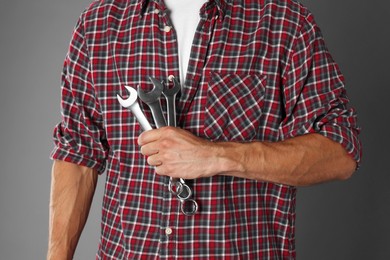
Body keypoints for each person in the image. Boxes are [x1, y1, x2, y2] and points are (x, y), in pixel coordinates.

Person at [47, 0, 361, 259]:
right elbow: (77, 152)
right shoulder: (99, 24)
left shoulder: (284, 22)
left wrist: (217, 156)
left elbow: (339, 152)